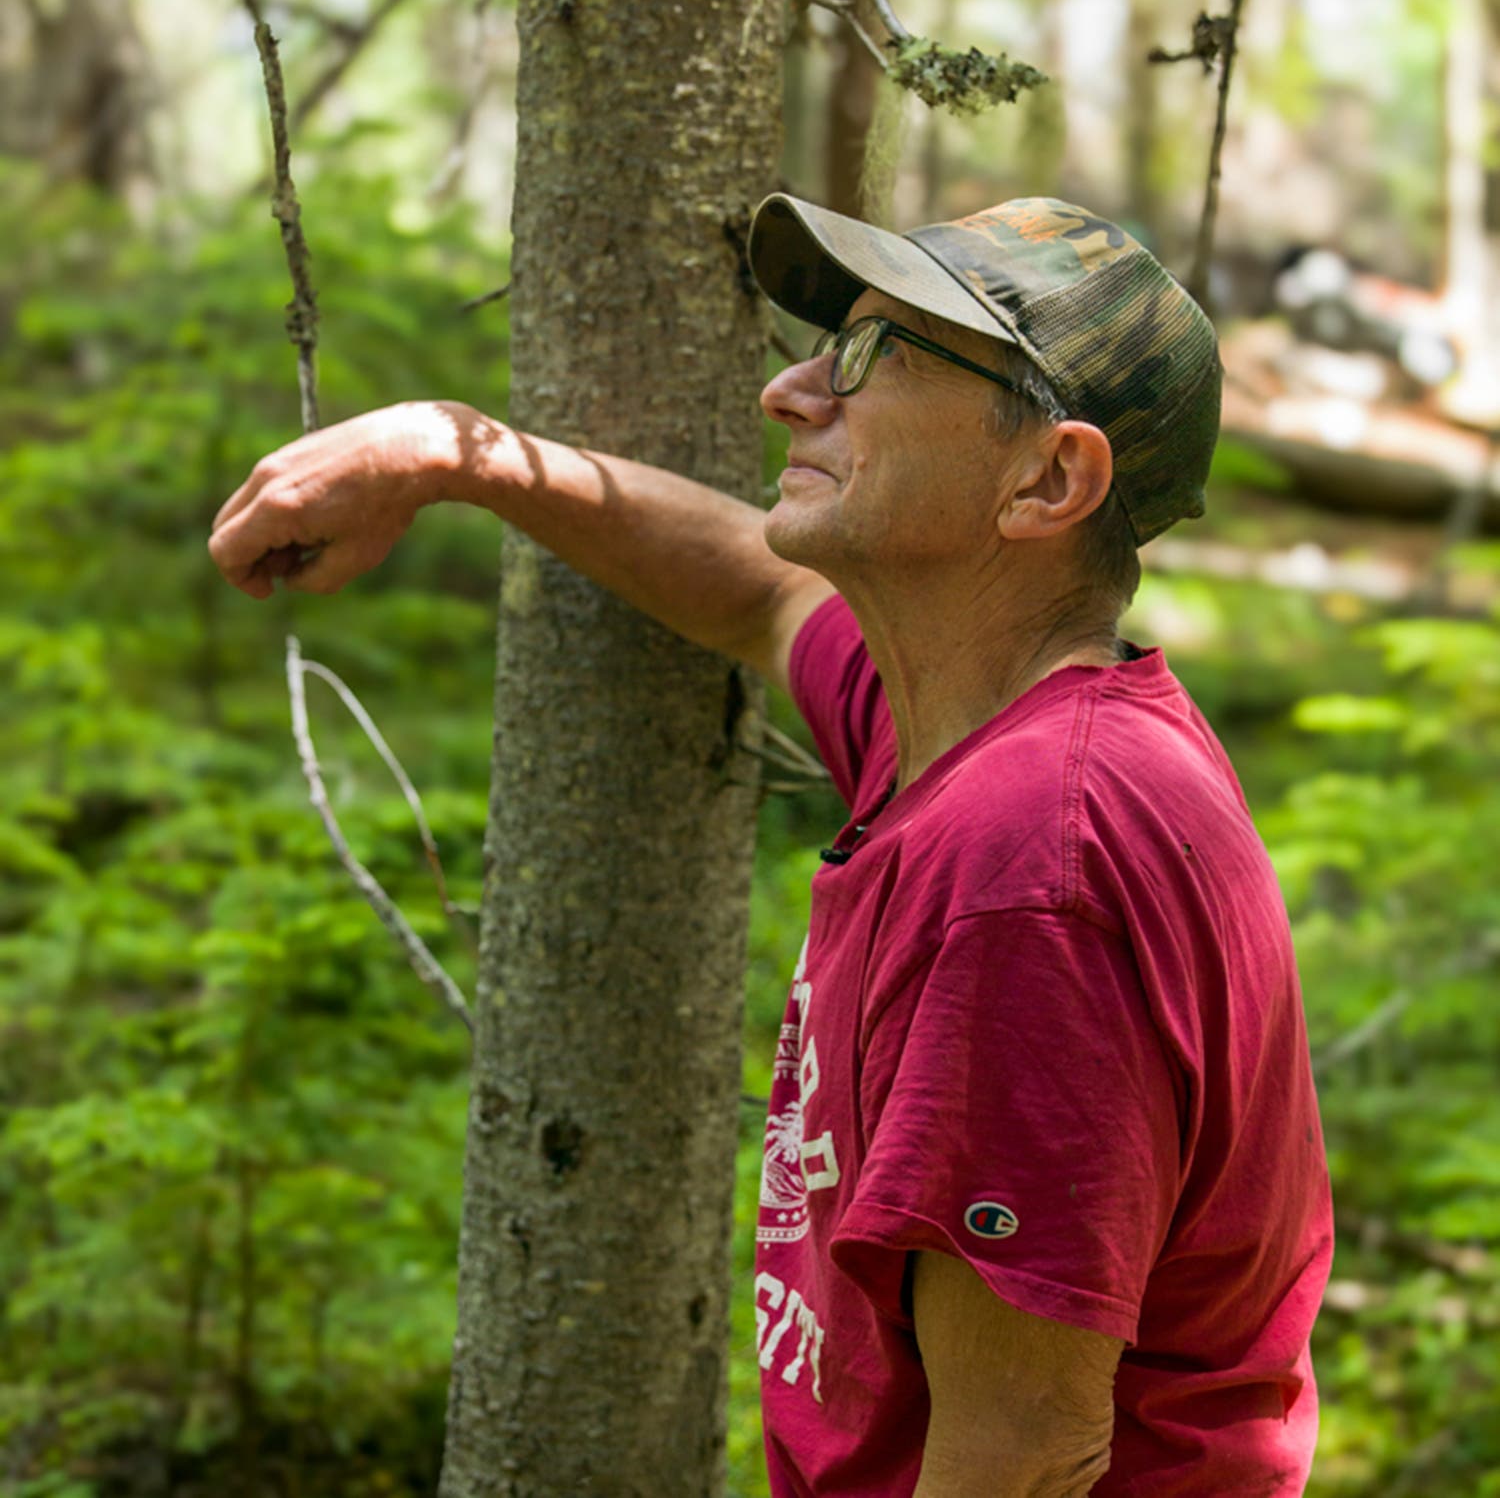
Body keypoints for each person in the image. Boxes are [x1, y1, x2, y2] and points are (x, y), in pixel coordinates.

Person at [209, 192, 1333, 1496]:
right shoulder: (974, 717)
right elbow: (762, 587)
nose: (791, 391)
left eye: (875, 358)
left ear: (1048, 480)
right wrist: (457, 454)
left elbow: (1024, 1460)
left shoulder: (1031, 868)